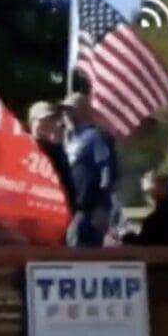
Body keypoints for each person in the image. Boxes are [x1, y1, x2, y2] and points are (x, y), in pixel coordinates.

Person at [59, 92, 119, 247]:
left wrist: (102, 205)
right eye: (65, 110)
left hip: (90, 210)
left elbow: (107, 170)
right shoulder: (68, 138)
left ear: (84, 111)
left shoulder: (95, 137)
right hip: (71, 207)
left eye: (72, 110)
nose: (67, 115)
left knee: (83, 249)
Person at [27, 101, 76, 211]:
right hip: (32, 205)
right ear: (33, 122)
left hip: (57, 207)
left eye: (52, 119)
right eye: (45, 119)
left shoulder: (57, 150)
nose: (50, 123)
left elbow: (67, 184)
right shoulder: (24, 147)